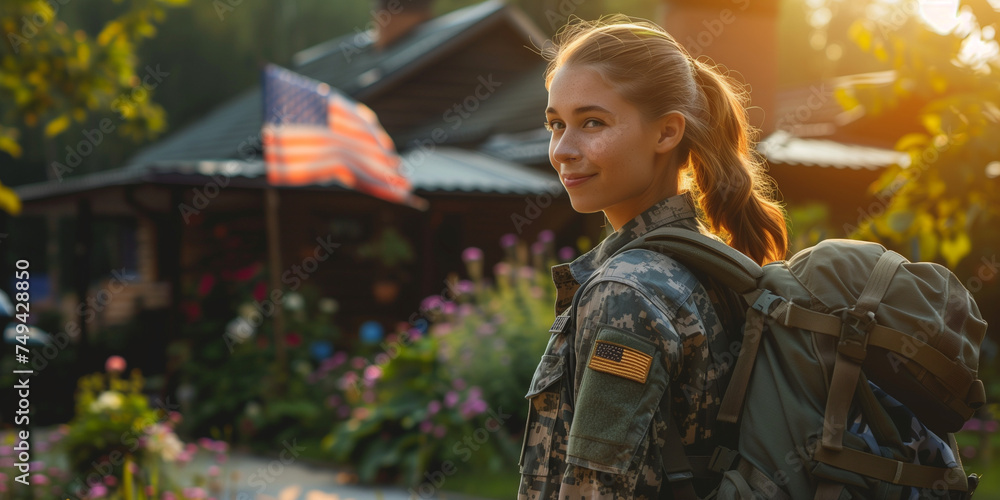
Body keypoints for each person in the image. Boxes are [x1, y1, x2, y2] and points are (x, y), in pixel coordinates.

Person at [517, 16, 788, 499]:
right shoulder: (709, 263)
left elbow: (598, 489)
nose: (562, 150)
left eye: (592, 122)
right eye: (556, 124)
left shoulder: (626, 292)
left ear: (666, 133)